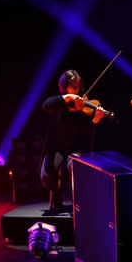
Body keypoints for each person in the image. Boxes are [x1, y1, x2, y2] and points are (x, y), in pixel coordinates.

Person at [40, 69, 106, 215]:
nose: (75, 90)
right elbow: (45, 104)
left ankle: (79, 203)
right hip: (56, 148)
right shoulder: (58, 104)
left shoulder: (83, 107)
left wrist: (95, 120)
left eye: (77, 86)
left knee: (74, 170)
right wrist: (67, 97)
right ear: (64, 87)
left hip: (75, 149)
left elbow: (86, 133)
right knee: (45, 177)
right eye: (71, 87)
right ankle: (58, 194)